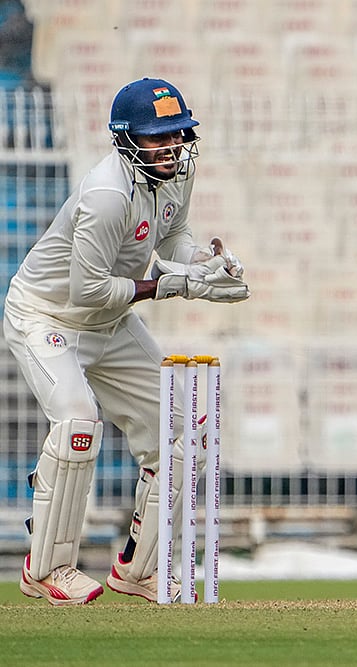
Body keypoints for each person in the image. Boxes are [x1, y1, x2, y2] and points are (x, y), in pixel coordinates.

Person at [3, 77, 250, 605]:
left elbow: (173, 238)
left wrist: (205, 266)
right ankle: (46, 568)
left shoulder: (175, 173)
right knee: (77, 421)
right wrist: (168, 285)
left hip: (108, 324)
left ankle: (141, 569)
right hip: (49, 316)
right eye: (156, 137)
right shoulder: (106, 194)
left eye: (177, 135)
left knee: (184, 432)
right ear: (125, 139)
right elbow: (87, 291)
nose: (170, 147)